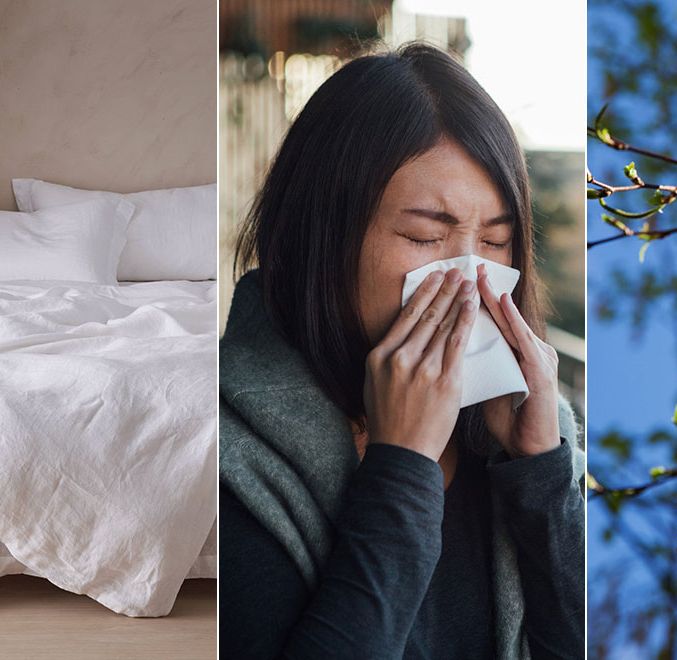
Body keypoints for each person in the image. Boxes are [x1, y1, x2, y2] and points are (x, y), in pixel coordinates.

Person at [220, 42, 585, 660]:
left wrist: (543, 479)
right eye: (425, 235)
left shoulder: (537, 432)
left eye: (495, 241)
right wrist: (402, 467)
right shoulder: (231, 458)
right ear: (323, 236)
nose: (469, 278)